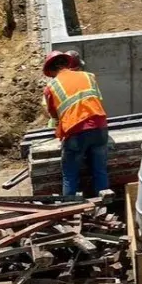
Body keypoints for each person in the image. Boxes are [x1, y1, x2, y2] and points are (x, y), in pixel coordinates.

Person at [42, 50, 110, 198]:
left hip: (75, 132)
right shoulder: (89, 76)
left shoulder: (51, 87)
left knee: (70, 175)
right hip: (100, 128)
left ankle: (70, 208)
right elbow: (97, 99)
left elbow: (54, 116)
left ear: (51, 71)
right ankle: (105, 206)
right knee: (100, 170)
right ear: (67, 63)